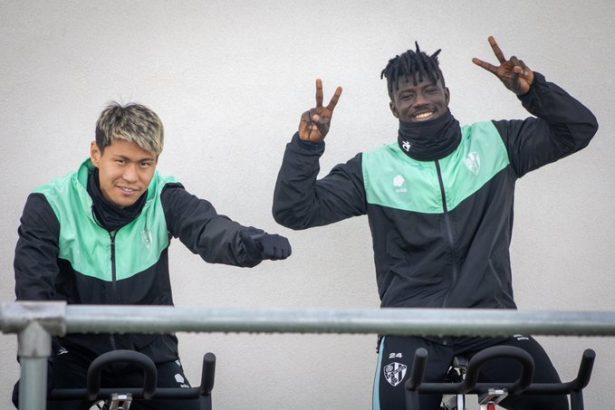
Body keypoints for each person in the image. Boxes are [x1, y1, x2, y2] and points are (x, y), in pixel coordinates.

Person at [272, 36, 598, 409]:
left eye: (429, 90)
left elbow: (578, 128)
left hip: (491, 325)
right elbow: (293, 210)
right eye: (407, 95)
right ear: (393, 108)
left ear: (447, 93)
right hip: (411, 330)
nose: (421, 100)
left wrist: (533, 90)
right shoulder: (373, 169)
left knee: (560, 405)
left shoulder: (496, 143)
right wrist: (306, 147)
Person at [13, 102, 292, 409]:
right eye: (121, 160)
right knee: (35, 400)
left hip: (150, 350)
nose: (132, 177)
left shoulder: (165, 195)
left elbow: (207, 228)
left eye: (145, 163)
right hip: (74, 352)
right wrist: (40, 359)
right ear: (96, 154)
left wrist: (247, 242)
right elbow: (34, 290)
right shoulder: (51, 204)